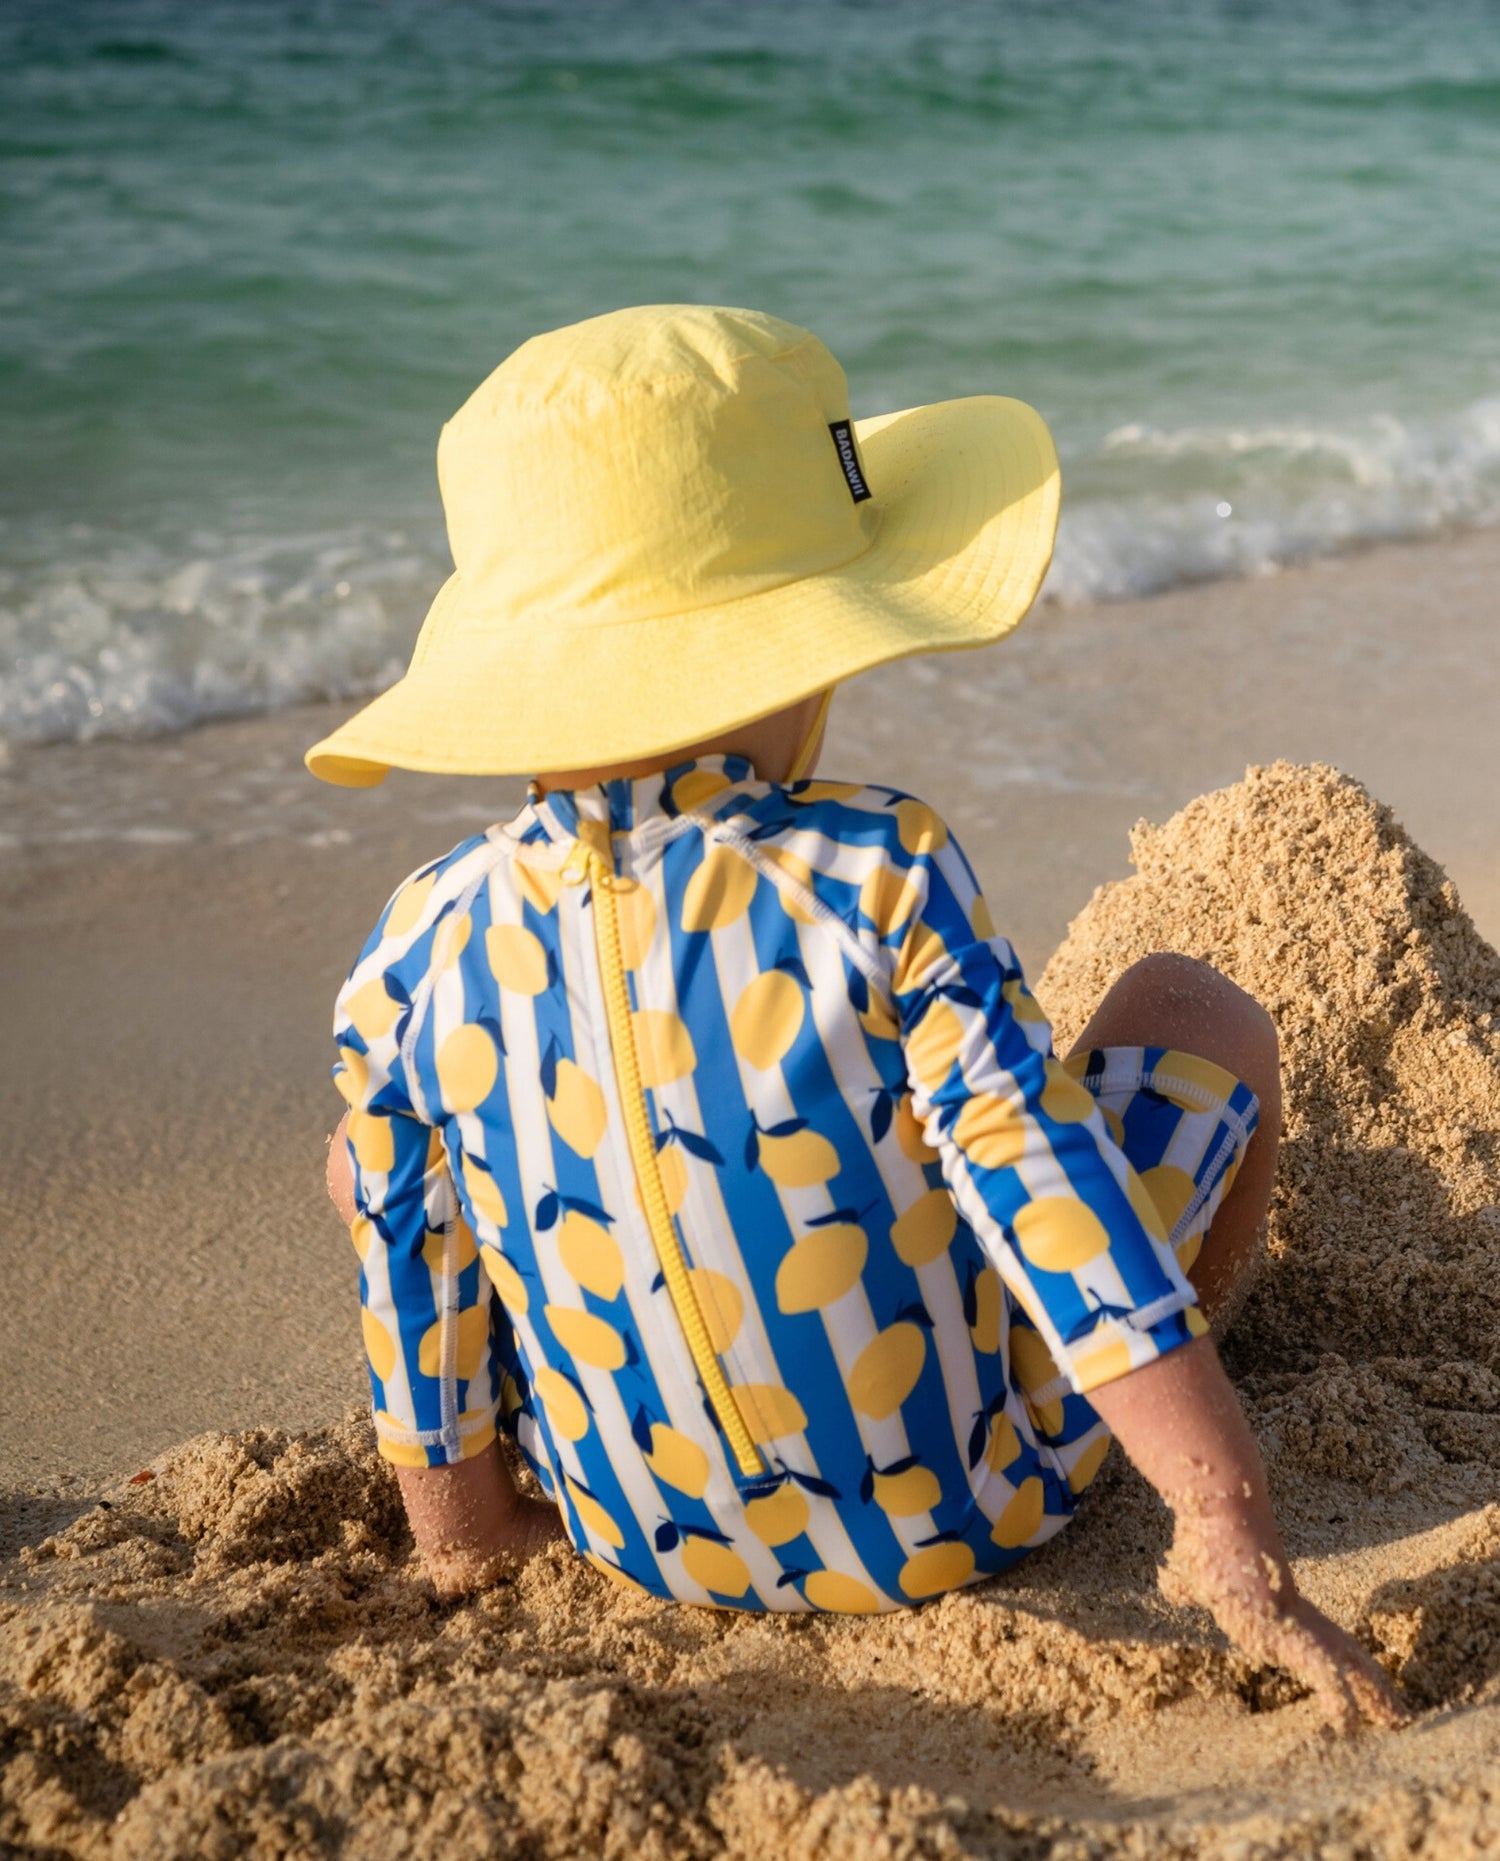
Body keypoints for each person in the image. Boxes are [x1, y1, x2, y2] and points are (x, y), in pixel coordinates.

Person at [310, 304, 1402, 1732]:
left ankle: (509, 1509)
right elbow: (1034, 1177)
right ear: (793, 650)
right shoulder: (871, 869)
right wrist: (1225, 1510)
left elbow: (411, 1262)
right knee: (1192, 1009)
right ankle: (1194, 1369)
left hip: (644, 1537)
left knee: (373, 1162)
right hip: (982, 1500)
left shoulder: (417, 945)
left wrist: (467, 1541)